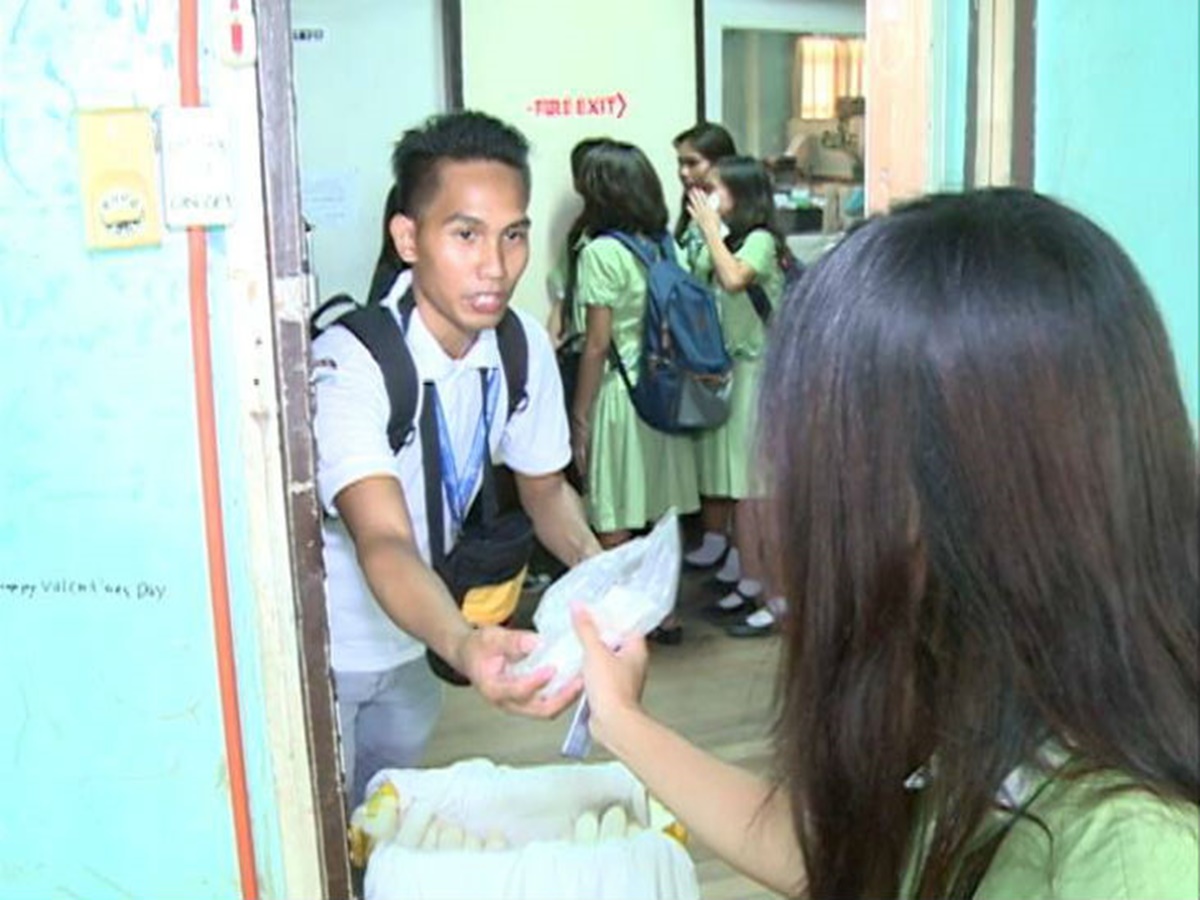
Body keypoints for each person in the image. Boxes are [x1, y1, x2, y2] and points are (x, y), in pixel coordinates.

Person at [575, 188, 1199, 898]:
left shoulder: (1136, 857)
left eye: (828, 465)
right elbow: (852, 860)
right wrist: (621, 721)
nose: (802, 510)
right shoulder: (995, 681)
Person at [311, 110, 601, 807]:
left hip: (417, 643)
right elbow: (381, 537)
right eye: (465, 234)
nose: (495, 267)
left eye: (513, 235)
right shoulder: (353, 361)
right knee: (323, 835)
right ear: (408, 238)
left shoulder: (518, 345)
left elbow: (547, 493)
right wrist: (465, 643)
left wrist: (607, 588)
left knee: (380, 824)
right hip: (330, 648)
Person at [568, 141, 701, 598]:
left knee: (616, 512)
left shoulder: (600, 253)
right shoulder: (667, 246)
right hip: (668, 393)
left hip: (624, 397)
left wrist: (580, 415)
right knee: (662, 513)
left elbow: (597, 344)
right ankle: (662, 612)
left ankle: (619, 618)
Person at [685, 155, 793, 637]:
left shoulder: (762, 242)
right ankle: (751, 581)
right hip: (733, 374)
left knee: (761, 495)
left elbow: (733, 278)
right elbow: (696, 276)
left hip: (761, 375)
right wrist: (706, 230)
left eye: (717, 191)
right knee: (740, 494)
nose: (708, 199)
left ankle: (780, 595)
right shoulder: (727, 237)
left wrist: (709, 227)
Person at [671, 122, 737, 276]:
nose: (683, 172)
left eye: (692, 163)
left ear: (720, 163)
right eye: (680, 163)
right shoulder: (693, 205)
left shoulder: (736, 211)